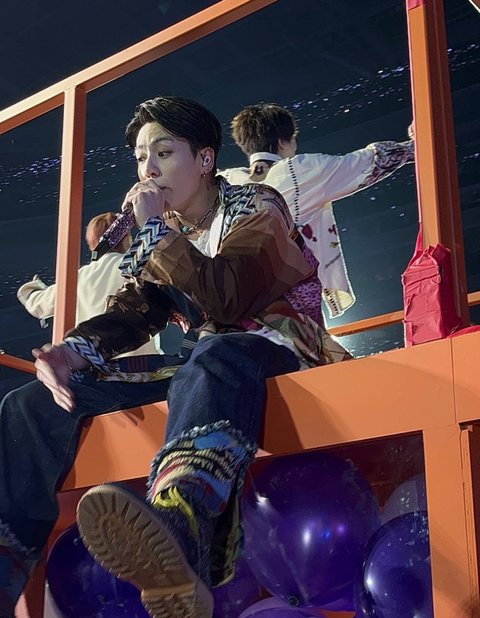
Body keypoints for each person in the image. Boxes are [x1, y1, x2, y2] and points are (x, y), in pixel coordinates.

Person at [0, 96, 350, 618]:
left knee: (213, 353)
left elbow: (228, 299)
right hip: (203, 368)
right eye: (141, 158)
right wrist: (70, 353)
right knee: (30, 404)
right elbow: (136, 310)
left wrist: (152, 234)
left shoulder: (257, 204)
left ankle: (181, 530)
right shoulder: (169, 232)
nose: (149, 169)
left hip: (276, 350)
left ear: (205, 159)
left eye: (163, 153)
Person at [220, 102, 415, 319]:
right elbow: (368, 163)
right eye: (293, 140)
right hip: (288, 302)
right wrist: (414, 145)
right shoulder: (299, 170)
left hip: (232, 303)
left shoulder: (226, 182)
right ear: (283, 142)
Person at [16, 212, 159, 357]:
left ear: (92, 244)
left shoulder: (80, 277)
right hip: (142, 363)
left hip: (94, 362)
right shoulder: (138, 265)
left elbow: (37, 304)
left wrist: (33, 287)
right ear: (126, 238)